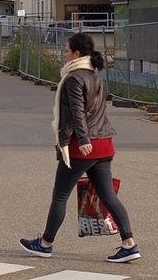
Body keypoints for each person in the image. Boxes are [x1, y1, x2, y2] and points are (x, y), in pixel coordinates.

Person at [19, 32, 141, 263]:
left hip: (82, 146)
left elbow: (77, 112)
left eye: (66, 51)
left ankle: (45, 244)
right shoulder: (96, 77)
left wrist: (83, 139)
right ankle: (129, 244)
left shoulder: (74, 78)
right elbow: (98, 112)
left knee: (60, 195)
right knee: (107, 195)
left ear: (76, 53)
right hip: (104, 144)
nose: (64, 54)